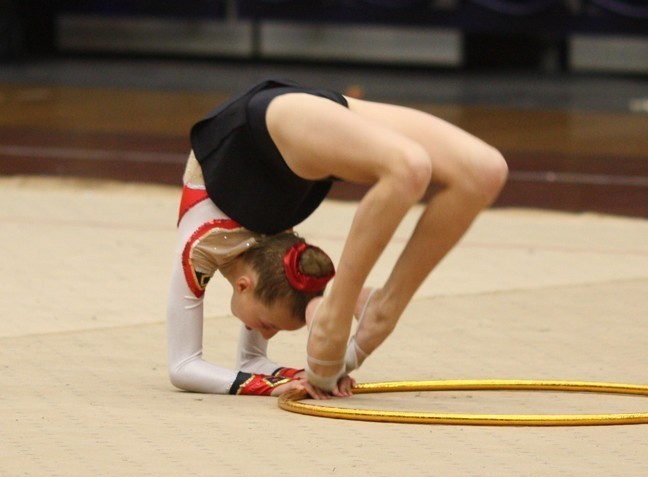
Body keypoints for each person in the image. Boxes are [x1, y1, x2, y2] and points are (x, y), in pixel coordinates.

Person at [166, 78, 507, 399]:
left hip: (265, 128)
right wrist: (281, 382)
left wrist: (269, 383)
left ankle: (344, 315)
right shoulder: (273, 258)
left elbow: (182, 367)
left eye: (268, 325)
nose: (267, 334)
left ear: (243, 285)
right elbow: (252, 364)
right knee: (479, 171)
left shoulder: (199, 247)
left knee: (430, 169)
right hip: (306, 126)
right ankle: (370, 308)